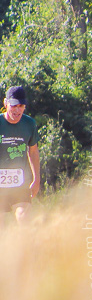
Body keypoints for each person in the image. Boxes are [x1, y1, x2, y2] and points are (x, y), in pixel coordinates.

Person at [0, 86, 41, 224]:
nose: (17, 110)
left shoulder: (29, 124)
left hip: (20, 183)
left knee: (23, 217)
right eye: (14, 106)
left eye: (21, 106)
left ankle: (26, 245)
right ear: (5, 104)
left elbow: (33, 152)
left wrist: (36, 179)